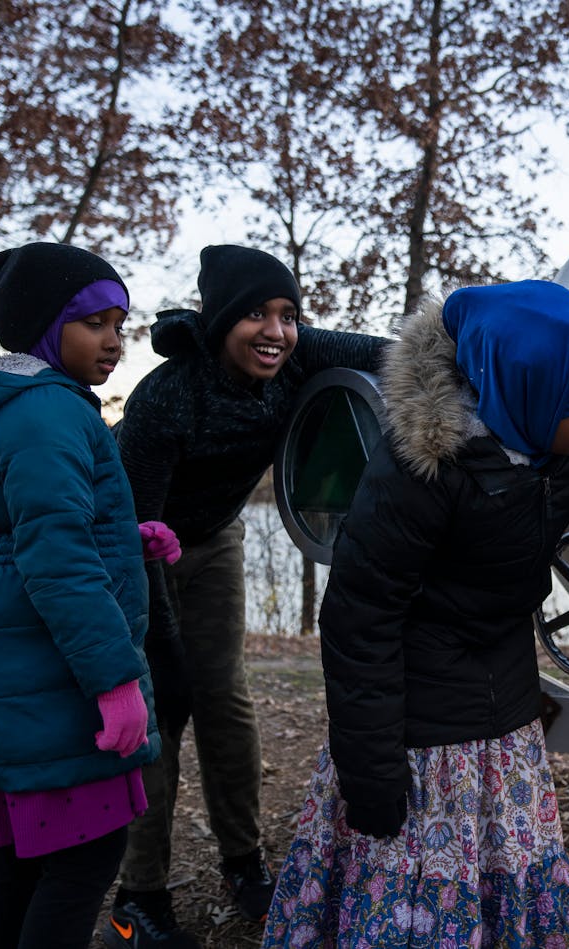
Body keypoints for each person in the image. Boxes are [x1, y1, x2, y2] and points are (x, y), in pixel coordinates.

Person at [262, 280, 569, 948]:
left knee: (503, 877)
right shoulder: (424, 471)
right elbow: (359, 617)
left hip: (503, 721)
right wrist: (371, 772)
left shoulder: (559, 442)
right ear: (530, 391)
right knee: (421, 892)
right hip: (422, 739)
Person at [106, 244, 389, 948]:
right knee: (161, 712)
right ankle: (139, 893)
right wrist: (162, 646)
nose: (276, 329)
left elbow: (396, 356)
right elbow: (131, 529)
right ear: (223, 319)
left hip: (215, 541)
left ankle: (244, 862)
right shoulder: (166, 396)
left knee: (226, 702)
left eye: (288, 314)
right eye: (257, 314)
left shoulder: (297, 355)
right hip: (134, 548)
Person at [0, 242, 173, 949]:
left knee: (18, 861)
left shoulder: (24, 405)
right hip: (51, 676)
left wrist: (126, 533)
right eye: (95, 321)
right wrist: (115, 679)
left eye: (121, 323)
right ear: (44, 325)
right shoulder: (48, 413)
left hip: (13, 661)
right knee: (84, 862)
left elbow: (31, 525)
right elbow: (55, 560)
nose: (114, 341)